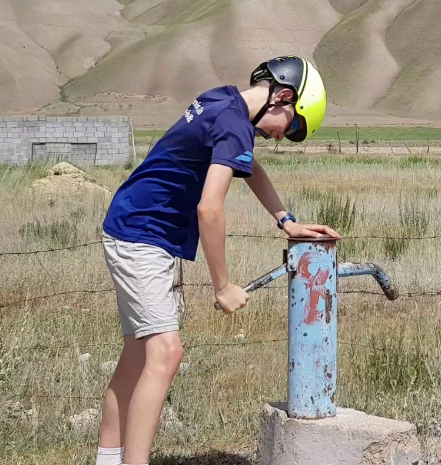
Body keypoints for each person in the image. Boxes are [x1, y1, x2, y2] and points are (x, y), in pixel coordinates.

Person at [95, 56, 339, 465]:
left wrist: (287, 221)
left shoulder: (223, 102)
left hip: (134, 228)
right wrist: (222, 285)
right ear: (282, 96)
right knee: (165, 353)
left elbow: (250, 166)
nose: (284, 137)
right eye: (294, 126)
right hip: (143, 237)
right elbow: (210, 208)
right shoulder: (234, 123)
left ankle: (108, 460)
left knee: (138, 356)